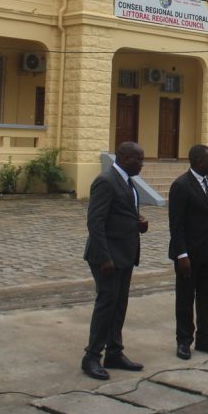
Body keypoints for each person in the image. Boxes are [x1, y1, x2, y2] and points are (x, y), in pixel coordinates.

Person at [81, 142, 149, 380]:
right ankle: (91, 357)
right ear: (125, 158)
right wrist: (104, 257)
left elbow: (121, 213)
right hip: (107, 257)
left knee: (119, 304)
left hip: (125, 255)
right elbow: (95, 222)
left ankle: (114, 352)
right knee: (106, 305)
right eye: (139, 159)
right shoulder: (106, 181)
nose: (142, 164)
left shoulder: (128, 182)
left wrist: (139, 222)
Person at [168, 144, 208, 361]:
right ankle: (184, 341)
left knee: (207, 296)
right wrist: (182, 255)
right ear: (199, 161)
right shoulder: (181, 186)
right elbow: (176, 225)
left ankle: (205, 338)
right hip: (188, 255)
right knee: (185, 299)